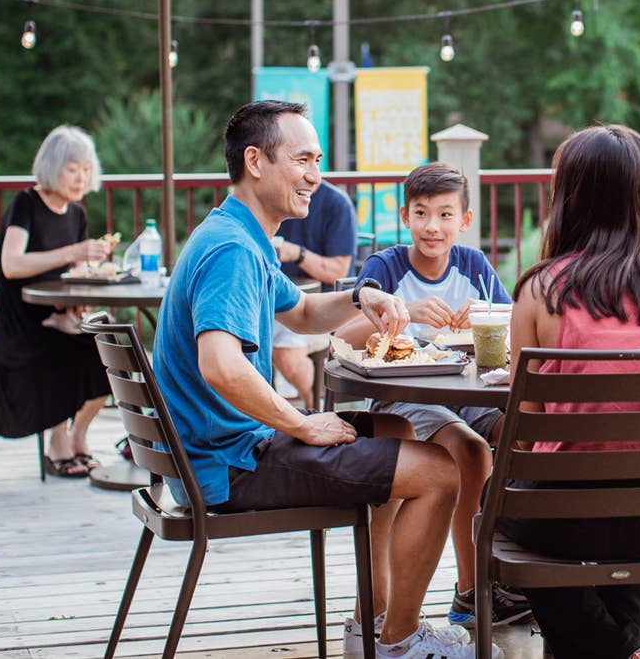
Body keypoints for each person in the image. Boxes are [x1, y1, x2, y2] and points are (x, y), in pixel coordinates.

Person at [150, 101, 491, 659]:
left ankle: (371, 625)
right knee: (440, 473)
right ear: (256, 161)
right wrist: (302, 425)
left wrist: (363, 293)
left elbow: (304, 314)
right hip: (230, 463)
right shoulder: (233, 249)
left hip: (219, 449)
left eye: (319, 160)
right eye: (303, 159)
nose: (316, 175)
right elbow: (220, 364)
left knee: (397, 427)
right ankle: (402, 641)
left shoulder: (239, 233)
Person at [505, 125, 640, 659]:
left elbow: (526, 428)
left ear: (567, 198)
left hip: (564, 523)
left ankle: (613, 649)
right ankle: (625, 646)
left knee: (499, 498)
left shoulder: (539, 288)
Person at [335, 162, 527, 630]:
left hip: (470, 390)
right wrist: (401, 311)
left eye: (445, 215)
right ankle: (472, 591)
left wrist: (487, 312)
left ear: (464, 220)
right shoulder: (386, 267)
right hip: (406, 396)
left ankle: (529, 571)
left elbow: (511, 320)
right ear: (406, 217)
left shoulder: (474, 265)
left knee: (531, 433)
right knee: (470, 451)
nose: (432, 227)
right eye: (422, 214)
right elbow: (343, 334)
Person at [0, 125, 115, 478]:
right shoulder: (26, 204)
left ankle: (78, 436)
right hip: (20, 328)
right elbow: (12, 265)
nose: (80, 177)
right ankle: (57, 444)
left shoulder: (77, 213)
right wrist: (74, 252)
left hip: (58, 318)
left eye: (86, 169)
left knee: (110, 350)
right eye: (72, 169)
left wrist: (89, 268)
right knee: (68, 352)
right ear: (52, 168)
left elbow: (70, 272)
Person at [271, 178, 357, 408]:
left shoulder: (337, 204)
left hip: (325, 304)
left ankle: (316, 408)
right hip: (280, 302)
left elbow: (338, 271)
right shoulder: (277, 199)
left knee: (283, 351)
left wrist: (297, 254)